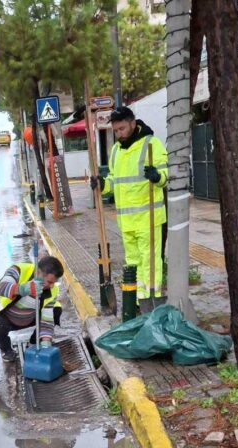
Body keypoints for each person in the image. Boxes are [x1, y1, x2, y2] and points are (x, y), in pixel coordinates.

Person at [90, 106, 168, 304]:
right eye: (116, 130)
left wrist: (158, 176)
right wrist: (102, 184)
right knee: (132, 264)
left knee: (150, 262)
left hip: (149, 219)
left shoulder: (151, 144)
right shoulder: (116, 150)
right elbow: (115, 181)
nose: (119, 134)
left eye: (122, 129)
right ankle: (135, 301)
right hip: (126, 222)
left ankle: (152, 300)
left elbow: (167, 176)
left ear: (133, 123)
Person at [0, 255, 64, 362]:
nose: (52, 286)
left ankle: (35, 342)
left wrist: (46, 343)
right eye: (49, 282)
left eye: (54, 282)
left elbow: (46, 319)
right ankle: (6, 349)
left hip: (30, 317)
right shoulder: (17, 270)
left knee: (56, 310)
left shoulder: (52, 290)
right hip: (7, 319)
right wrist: (23, 289)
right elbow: (2, 287)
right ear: (38, 272)